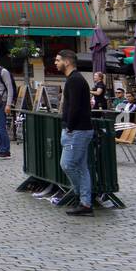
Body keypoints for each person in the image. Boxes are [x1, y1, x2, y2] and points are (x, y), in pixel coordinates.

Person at [57, 49, 95, 216]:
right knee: (81, 167)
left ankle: (81, 194)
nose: (55, 63)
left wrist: (70, 127)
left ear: (67, 62)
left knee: (67, 164)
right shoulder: (74, 79)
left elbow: (74, 107)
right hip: (80, 129)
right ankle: (85, 203)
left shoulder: (75, 80)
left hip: (77, 130)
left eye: (58, 60)